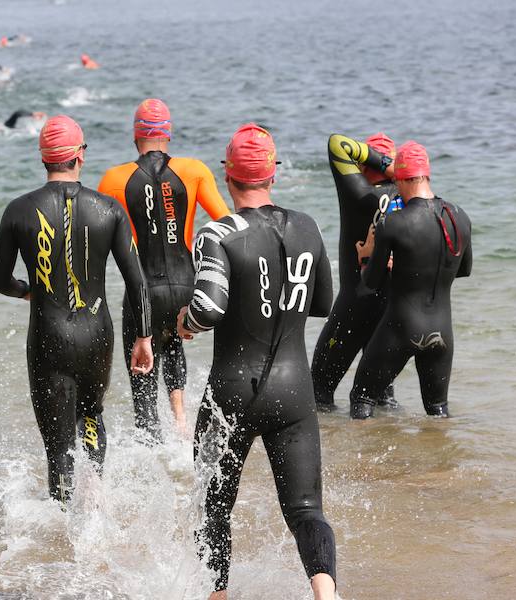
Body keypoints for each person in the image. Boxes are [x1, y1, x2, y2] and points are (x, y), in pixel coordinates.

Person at [177, 123, 336, 600]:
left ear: (228, 175)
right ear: (274, 173)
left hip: (232, 393)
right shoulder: (306, 226)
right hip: (295, 392)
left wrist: (184, 322)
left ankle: (218, 596)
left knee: (213, 510)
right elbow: (324, 301)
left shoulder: (217, 233)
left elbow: (208, 308)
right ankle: (327, 595)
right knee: (306, 510)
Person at [0, 115, 154, 502]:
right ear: (80, 155)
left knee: (58, 445)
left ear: (43, 157)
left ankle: (64, 529)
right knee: (92, 415)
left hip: (49, 335)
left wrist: (29, 292)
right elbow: (137, 281)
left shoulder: (18, 210)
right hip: (98, 333)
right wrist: (144, 336)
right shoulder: (108, 209)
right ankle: (94, 498)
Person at [98, 99, 229, 441]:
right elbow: (229, 226)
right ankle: (182, 425)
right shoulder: (196, 170)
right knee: (172, 344)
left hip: (143, 291)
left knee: (142, 371)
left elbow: (97, 242)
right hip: (188, 287)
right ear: (168, 134)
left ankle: (152, 445)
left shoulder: (114, 179)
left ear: (135, 135)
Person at [349, 141, 472, 419]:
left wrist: (366, 256)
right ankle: (443, 462)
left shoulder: (393, 223)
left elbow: (370, 283)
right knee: (437, 410)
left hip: (401, 328)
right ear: (426, 175)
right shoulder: (459, 217)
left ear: (400, 178)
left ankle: (363, 464)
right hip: (442, 334)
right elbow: (463, 269)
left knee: (362, 399)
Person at [311, 133, 399, 410]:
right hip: (391, 313)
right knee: (381, 400)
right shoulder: (409, 200)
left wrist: (383, 163)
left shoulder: (358, 192)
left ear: (361, 166)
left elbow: (337, 143)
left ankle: (336, 448)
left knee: (318, 394)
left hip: (355, 307)